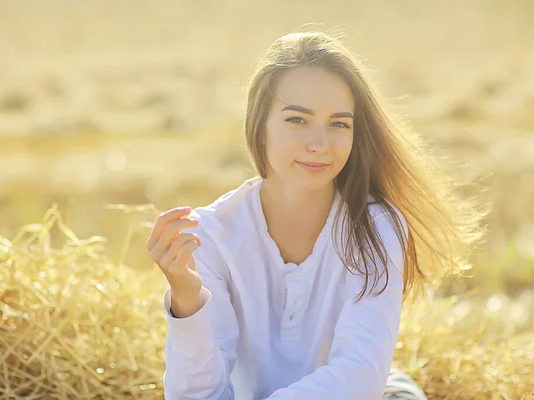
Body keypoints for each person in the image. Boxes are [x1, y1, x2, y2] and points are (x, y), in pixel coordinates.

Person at [145, 30, 484, 400]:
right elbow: (196, 395)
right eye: (297, 120)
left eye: (339, 124)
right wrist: (187, 299)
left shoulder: (378, 227)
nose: (320, 144)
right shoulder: (211, 235)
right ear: (260, 128)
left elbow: (360, 374)